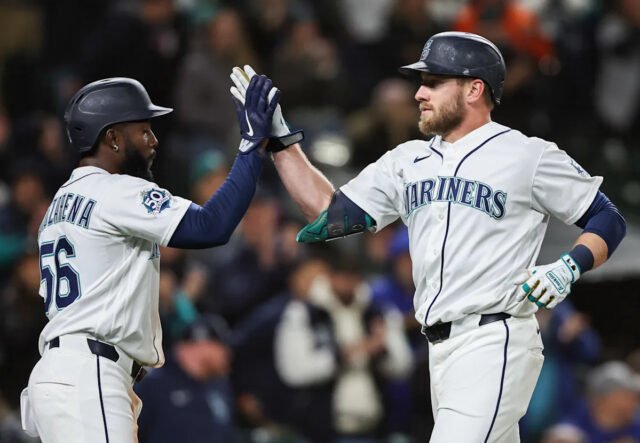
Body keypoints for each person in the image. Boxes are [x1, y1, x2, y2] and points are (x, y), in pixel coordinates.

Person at [229, 30, 627, 442]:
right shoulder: (406, 160)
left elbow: (607, 218)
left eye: (434, 82)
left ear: (474, 89)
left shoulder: (527, 155)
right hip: (439, 349)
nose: (419, 93)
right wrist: (281, 143)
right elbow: (327, 212)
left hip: (494, 339)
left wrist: (569, 266)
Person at [20, 75, 279, 442]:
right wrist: (251, 146)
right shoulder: (113, 190)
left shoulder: (58, 205)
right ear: (112, 138)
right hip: (90, 373)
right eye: (143, 130)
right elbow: (210, 226)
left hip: (66, 373)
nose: (154, 140)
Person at [134, 314, 235, 443]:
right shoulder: (153, 385)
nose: (228, 353)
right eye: (222, 346)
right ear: (202, 344)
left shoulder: (220, 387)